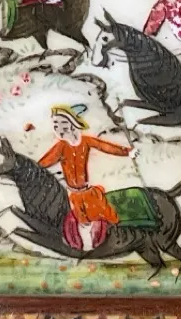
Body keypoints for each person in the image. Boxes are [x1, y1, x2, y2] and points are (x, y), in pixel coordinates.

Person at [37, 104, 136, 251]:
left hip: (87, 191)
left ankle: (107, 240)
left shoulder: (85, 141)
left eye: (63, 123)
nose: (59, 128)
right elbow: (43, 163)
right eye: (56, 124)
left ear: (73, 123)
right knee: (79, 220)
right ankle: (83, 247)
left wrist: (127, 152)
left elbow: (105, 146)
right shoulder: (61, 146)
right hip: (72, 193)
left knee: (103, 213)